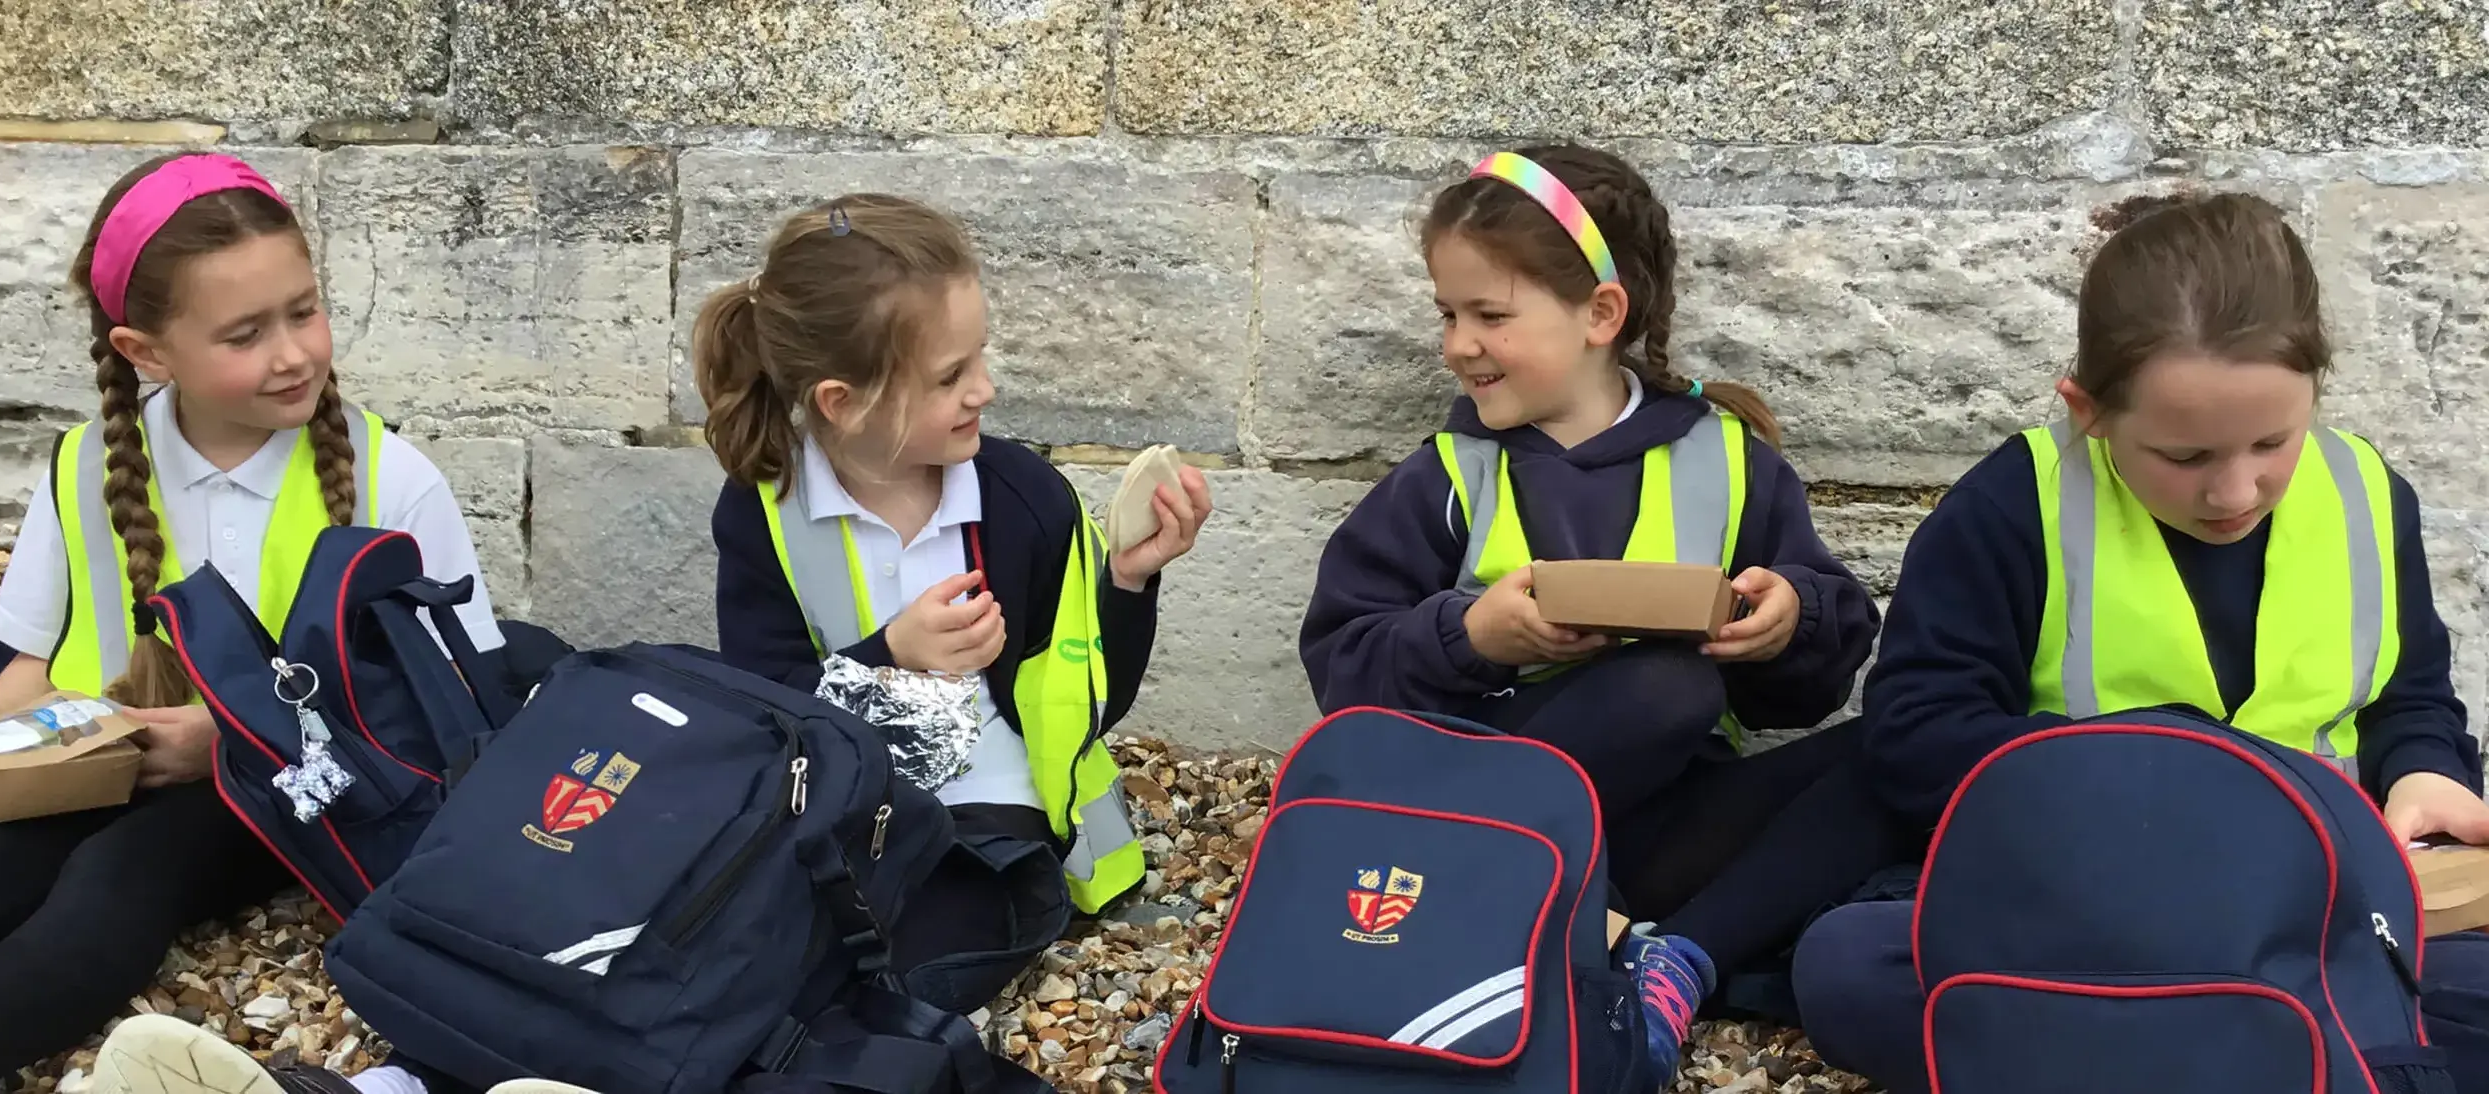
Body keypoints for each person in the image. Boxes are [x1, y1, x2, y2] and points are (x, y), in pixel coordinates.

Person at [1789, 190, 2489, 1091]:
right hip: (2085, 904)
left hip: (2313, 915)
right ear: (2088, 409)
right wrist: (2182, 773)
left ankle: (2164, 1049)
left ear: (2319, 385)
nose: (2235, 491)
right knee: (1850, 965)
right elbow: (1917, 736)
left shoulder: (2366, 493)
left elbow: (2412, 696)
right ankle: (2304, 1053)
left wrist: (2428, 770)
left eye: (2273, 441)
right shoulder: (2010, 507)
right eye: (2186, 458)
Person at [1297, 143, 1897, 1092]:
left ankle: (1671, 959)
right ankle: (1569, 929)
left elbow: (1816, 672)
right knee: (1664, 687)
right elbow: (1343, 669)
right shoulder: (1447, 476)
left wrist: (1790, 622)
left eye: (1490, 314)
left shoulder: (1731, 460)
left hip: (1663, 829)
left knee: (1896, 752)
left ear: (1601, 316)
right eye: (1448, 314)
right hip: (1485, 816)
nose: (1458, 343)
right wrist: (1471, 637)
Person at [0, 153, 510, 1094]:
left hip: (288, 795)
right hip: (101, 763)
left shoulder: (391, 477)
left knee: (125, 871)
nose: (292, 354)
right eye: (245, 334)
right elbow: (31, 664)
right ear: (145, 352)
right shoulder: (83, 466)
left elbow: (461, 702)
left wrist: (232, 738)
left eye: (303, 311)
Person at [702, 193, 1209, 1013]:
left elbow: (1089, 701)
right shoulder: (765, 509)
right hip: (837, 796)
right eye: (950, 376)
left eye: (980, 357)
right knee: (771, 908)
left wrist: (1128, 579)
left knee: (969, 902)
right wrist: (890, 655)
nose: (986, 388)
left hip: (988, 796)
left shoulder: (1026, 500)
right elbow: (759, 704)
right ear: (842, 402)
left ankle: (858, 1022)